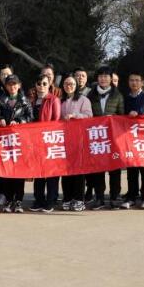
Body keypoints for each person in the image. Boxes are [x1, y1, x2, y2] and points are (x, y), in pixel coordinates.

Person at [86, 65, 125, 209]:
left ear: (110, 78)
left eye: (106, 76)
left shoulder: (118, 95)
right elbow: (88, 115)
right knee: (98, 168)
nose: (103, 79)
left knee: (115, 168)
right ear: (97, 78)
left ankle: (115, 197)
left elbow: (122, 116)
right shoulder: (91, 95)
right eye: (101, 76)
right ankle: (99, 197)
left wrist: (113, 118)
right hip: (97, 137)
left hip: (113, 137)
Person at [0, 74, 33, 213]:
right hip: (4, 140)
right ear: (6, 86)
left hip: (19, 140)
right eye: (9, 84)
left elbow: (30, 117)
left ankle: (18, 200)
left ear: (19, 85)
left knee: (19, 171)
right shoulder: (0, 100)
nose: (12, 87)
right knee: (7, 170)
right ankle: (9, 199)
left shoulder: (25, 101)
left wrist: (19, 121)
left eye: (14, 84)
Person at [121, 73, 144, 210]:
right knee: (131, 168)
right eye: (131, 80)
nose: (134, 83)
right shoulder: (125, 99)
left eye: (137, 80)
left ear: (143, 82)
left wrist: (140, 115)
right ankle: (131, 196)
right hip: (128, 138)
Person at [60, 75, 93, 211]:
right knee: (65, 171)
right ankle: (67, 198)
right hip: (64, 140)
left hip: (79, 139)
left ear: (76, 86)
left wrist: (75, 116)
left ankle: (79, 199)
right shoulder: (60, 101)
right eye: (66, 84)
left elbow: (89, 116)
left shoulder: (83, 100)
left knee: (79, 171)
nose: (69, 86)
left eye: (72, 84)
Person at [30, 74, 61, 212]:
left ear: (49, 85)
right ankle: (38, 200)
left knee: (51, 172)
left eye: (44, 83)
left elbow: (56, 120)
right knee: (38, 172)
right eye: (39, 83)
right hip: (34, 141)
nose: (41, 86)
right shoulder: (32, 101)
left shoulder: (53, 99)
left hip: (49, 140)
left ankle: (51, 200)